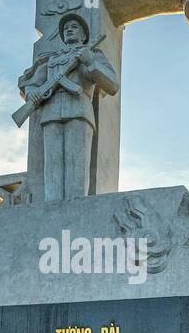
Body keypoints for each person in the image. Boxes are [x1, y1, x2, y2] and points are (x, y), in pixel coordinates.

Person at [17, 13, 118, 200]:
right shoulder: (52, 58)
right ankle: (52, 206)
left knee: (76, 163)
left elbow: (112, 85)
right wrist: (32, 92)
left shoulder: (93, 53)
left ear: (84, 35)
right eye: (65, 28)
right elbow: (33, 83)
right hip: (51, 113)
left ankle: (75, 205)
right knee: (53, 165)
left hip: (79, 111)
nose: (69, 29)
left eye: (74, 27)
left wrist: (90, 61)